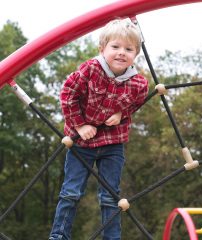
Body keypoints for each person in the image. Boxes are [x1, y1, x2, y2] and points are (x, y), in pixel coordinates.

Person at [49, 19, 149, 240]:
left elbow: (138, 100)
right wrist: (79, 125)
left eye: (128, 49)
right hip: (82, 143)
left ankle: (111, 238)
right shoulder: (90, 69)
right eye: (115, 47)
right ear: (102, 48)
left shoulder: (138, 83)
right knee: (71, 193)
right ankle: (58, 236)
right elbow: (68, 94)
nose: (121, 53)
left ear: (136, 54)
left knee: (110, 196)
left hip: (113, 144)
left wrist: (122, 113)